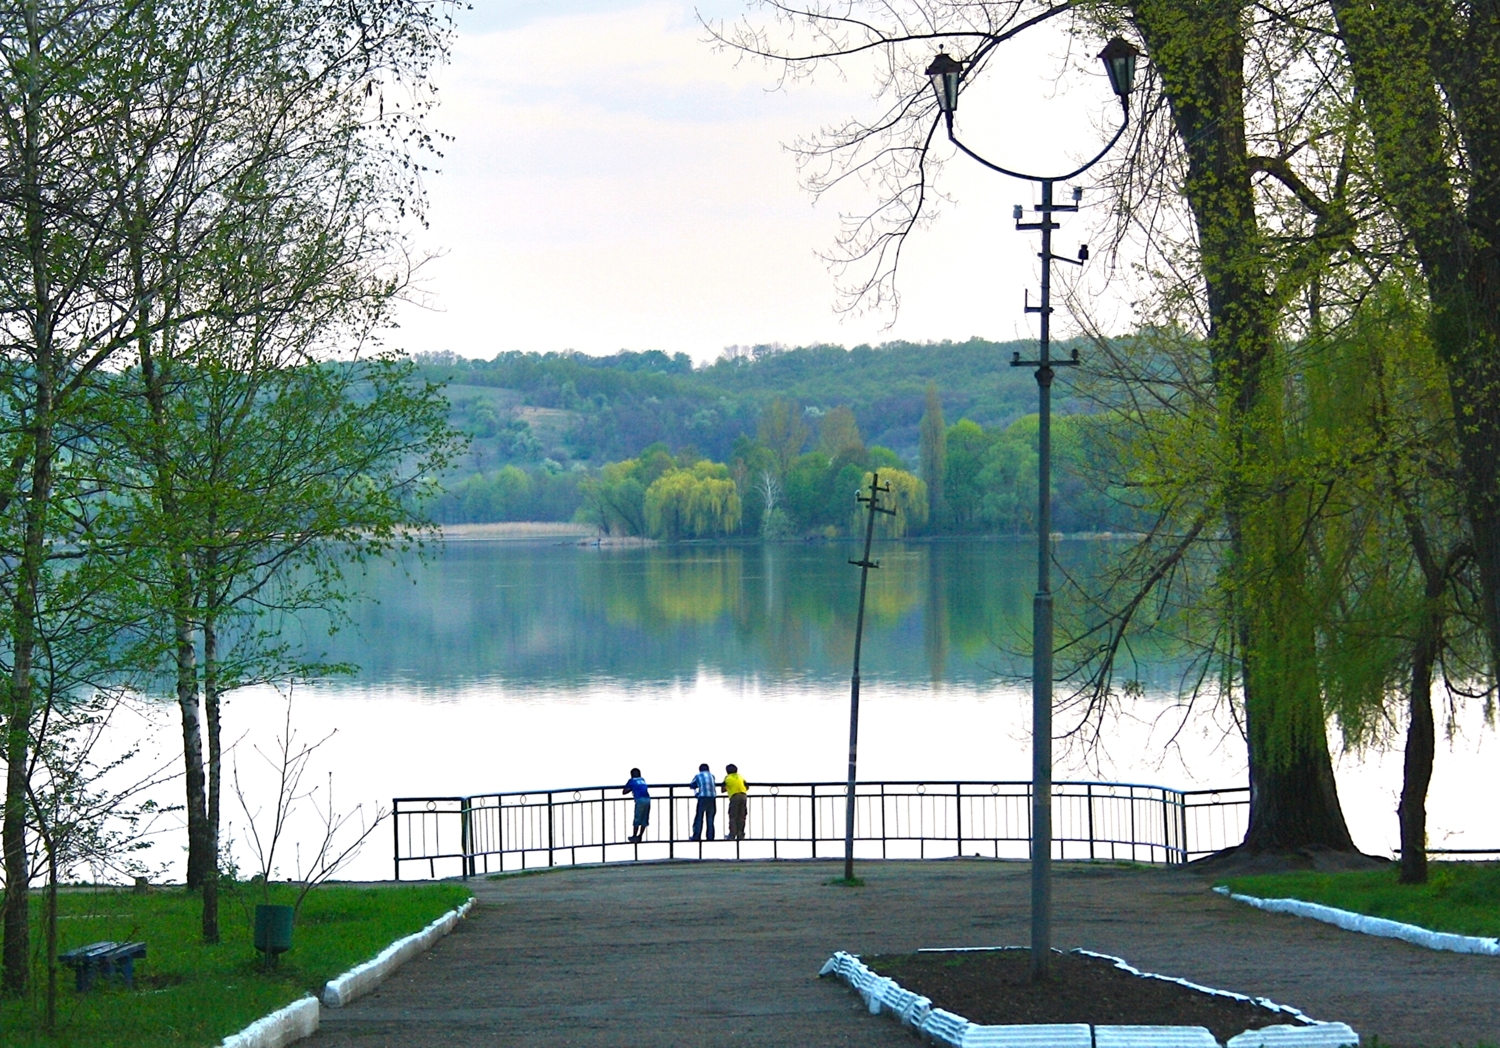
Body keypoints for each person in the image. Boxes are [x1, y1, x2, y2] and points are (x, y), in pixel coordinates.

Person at [689, 762, 716, 841]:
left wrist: (696, 792)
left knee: (699, 817)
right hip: (712, 798)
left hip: (703, 797)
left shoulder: (698, 775)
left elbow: (692, 785)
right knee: (710, 818)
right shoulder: (712, 776)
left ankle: (696, 836)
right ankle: (710, 837)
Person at [722, 763, 748, 841]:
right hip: (743, 796)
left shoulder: (727, 778)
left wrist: (730, 788)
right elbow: (747, 786)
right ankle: (741, 834)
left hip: (734, 796)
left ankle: (732, 835)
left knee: (733, 816)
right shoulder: (740, 776)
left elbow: (722, 789)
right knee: (742, 815)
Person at [622, 768, 650, 843]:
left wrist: (631, 788)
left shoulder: (631, 781)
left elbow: (624, 792)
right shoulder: (642, 779)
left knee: (637, 818)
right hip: (648, 799)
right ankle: (640, 836)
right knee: (644, 818)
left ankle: (634, 836)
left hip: (640, 800)